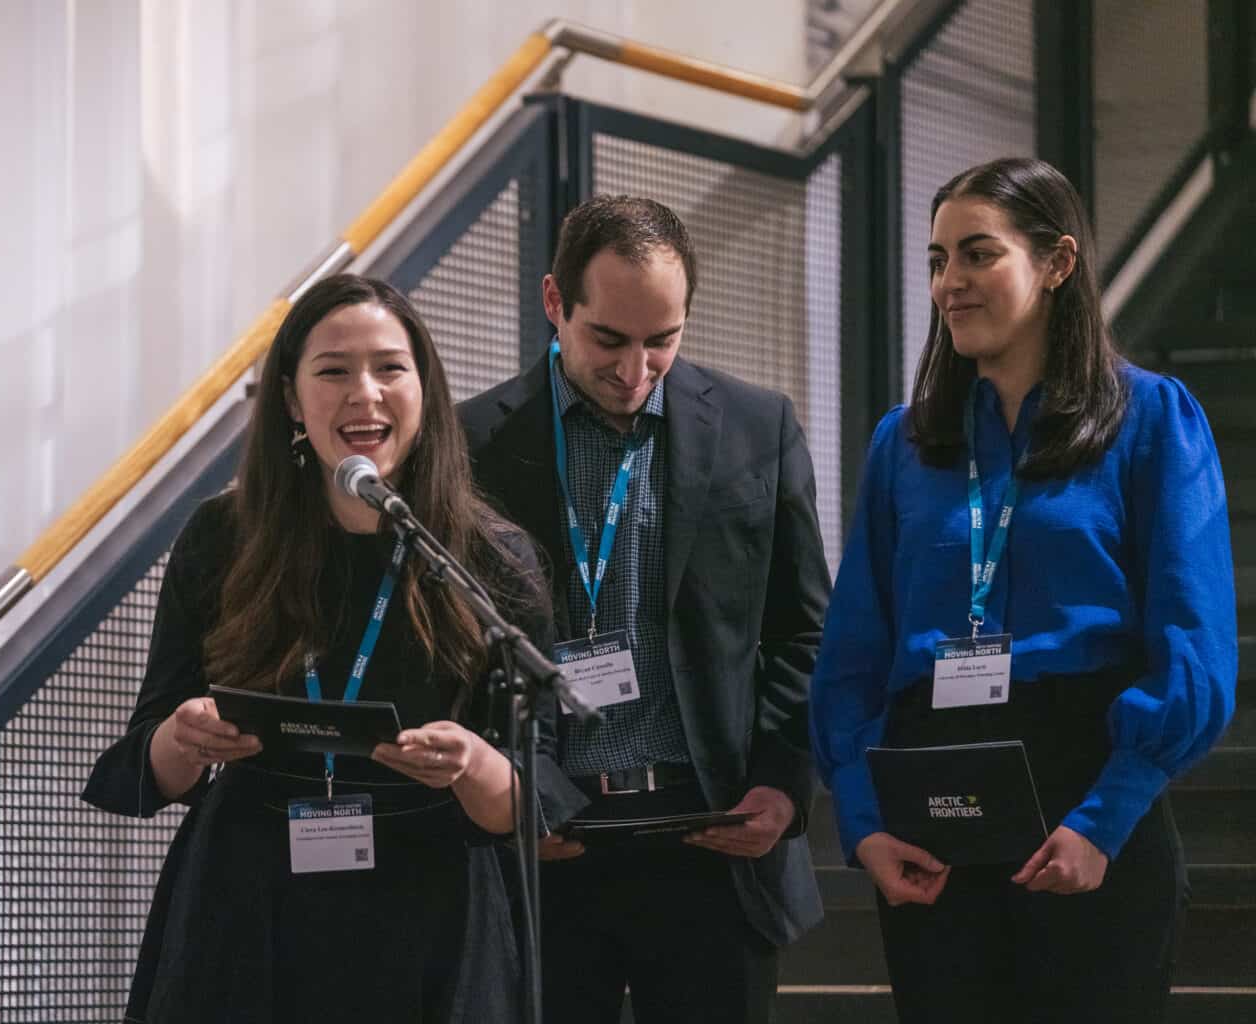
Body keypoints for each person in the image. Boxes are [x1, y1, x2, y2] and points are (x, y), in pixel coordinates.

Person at [811, 157, 1237, 1022]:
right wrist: (863, 821)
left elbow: (1195, 641)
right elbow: (853, 652)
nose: (950, 283)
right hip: (932, 798)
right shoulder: (904, 445)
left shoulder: (1150, 418)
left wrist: (1106, 818)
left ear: (1057, 263)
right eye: (937, 261)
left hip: (1084, 788)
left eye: (977, 255)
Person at [83, 274, 557, 1023]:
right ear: (292, 401)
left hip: (431, 905)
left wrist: (473, 761)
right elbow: (147, 761)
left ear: (425, 390)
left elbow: (536, 796)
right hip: (249, 905)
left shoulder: (489, 557)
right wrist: (184, 737)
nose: (364, 393)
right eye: (334, 370)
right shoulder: (223, 538)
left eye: (390, 368)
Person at [459, 194, 831, 1022]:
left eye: (662, 341)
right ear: (556, 304)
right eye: (609, 340)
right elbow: (457, 652)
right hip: (551, 844)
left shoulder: (755, 427)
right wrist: (520, 794)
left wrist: (780, 786)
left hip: (712, 837)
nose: (635, 371)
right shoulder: (472, 443)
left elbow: (805, 631)